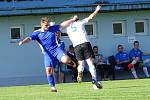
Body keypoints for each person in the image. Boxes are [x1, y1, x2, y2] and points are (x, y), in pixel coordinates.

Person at [18, 17, 78, 92]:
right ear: (42, 25)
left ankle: (71, 62)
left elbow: (63, 25)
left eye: (48, 25)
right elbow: (29, 38)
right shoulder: (37, 33)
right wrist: (22, 42)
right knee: (49, 70)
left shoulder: (52, 28)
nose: (48, 26)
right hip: (47, 54)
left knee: (65, 60)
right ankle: (53, 87)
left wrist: (72, 20)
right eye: (46, 25)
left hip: (56, 50)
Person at [63, 5, 102, 90]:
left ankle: (80, 71)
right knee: (90, 63)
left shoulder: (68, 28)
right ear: (76, 19)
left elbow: (60, 29)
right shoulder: (80, 22)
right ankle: (94, 80)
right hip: (85, 43)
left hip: (76, 46)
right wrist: (97, 10)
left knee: (81, 64)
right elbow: (90, 17)